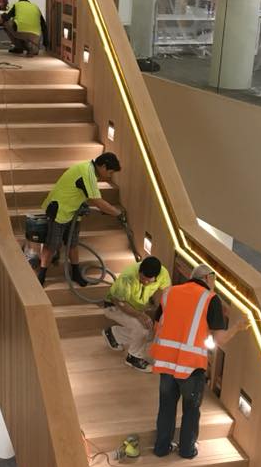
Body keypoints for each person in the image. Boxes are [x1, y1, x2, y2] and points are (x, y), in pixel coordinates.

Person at [151, 264, 248, 459]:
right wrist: (238, 327)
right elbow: (220, 340)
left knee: (166, 407)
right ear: (207, 277)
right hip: (191, 367)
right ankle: (187, 450)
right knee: (191, 409)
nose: (215, 285)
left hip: (166, 363)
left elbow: (156, 323)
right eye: (214, 280)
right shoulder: (210, 299)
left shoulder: (169, 292)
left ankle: (161, 448)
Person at [38, 152, 123, 286]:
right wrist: (118, 213)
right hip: (59, 209)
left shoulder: (90, 171)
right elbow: (98, 201)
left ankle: (76, 273)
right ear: (103, 166)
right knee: (52, 245)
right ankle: (41, 274)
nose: (109, 175)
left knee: (73, 243)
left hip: (73, 211)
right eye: (110, 172)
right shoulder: (87, 173)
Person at [102, 256, 170, 373]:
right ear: (139, 271)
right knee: (142, 330)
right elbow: (119, 302)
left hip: (136, 308)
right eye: (142, 278)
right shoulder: (127, 277)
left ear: (156, 277)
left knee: (148, 335)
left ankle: (113, 334)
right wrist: (141, 316)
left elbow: (168, 294)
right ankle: (133, 358)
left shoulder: (163, 274)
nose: (145, 282)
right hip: (115, 306)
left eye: (149, 281)